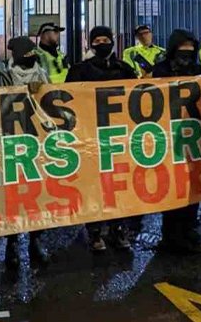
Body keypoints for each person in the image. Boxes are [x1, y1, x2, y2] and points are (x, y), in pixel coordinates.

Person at [67, 26, 138, 251]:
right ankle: (95, 232)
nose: (101, 43)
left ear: (113, 41)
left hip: (119, 137)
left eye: (105, 39)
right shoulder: (79, 70)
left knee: (119, 184)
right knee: (93, 185)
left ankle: (119, 229)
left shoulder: (125, 69)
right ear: (91, 44)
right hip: (91, 138)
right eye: (97, 40)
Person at [0, 36, 52, 268]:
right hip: (12, 142)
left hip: (38, 141)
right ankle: (13, 243)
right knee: (14, 197)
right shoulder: (3, 76)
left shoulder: (42, 74)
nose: (31, 59)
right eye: (26, 55)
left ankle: (36, 241)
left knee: (38, 195)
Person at [152, 30, 201, 252]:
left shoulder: (198, 69)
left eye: (191, 47)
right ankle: (171, 234)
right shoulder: (161, 70)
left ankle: (190, 228)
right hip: (169, 134)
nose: (187, 51)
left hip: (193, 133)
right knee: (173, 184)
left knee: (194, 183)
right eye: (182, 47)